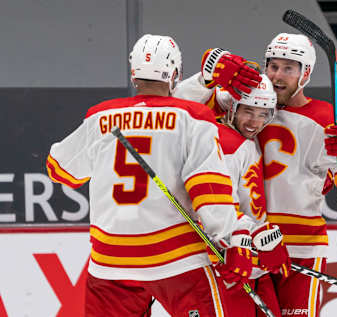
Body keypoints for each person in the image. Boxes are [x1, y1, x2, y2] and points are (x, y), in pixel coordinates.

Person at [46, 34, 264, 317]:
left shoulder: (100, 116)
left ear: (133, 73)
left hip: (111, 261)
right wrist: (232, 239)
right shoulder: (193, 116)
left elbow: (59, 170)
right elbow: (209, 188)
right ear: (175, 73)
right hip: (175, 259)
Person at [257, 33, 337, 316]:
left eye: (288, 68)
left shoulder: (328, 119)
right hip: (249, 242)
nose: (277, 75)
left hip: (301, 246)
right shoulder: (247, 107)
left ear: (306, 73)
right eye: (273, 66)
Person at [175, 55, 290, 317]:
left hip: (251, 263)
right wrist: (261, 238)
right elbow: (218, 209)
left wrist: (263, 240)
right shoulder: (225, 145)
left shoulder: (247, 141)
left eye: (263, 115)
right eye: (248, 111)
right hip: (229, 263)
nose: (255, 122)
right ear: (232, 108)